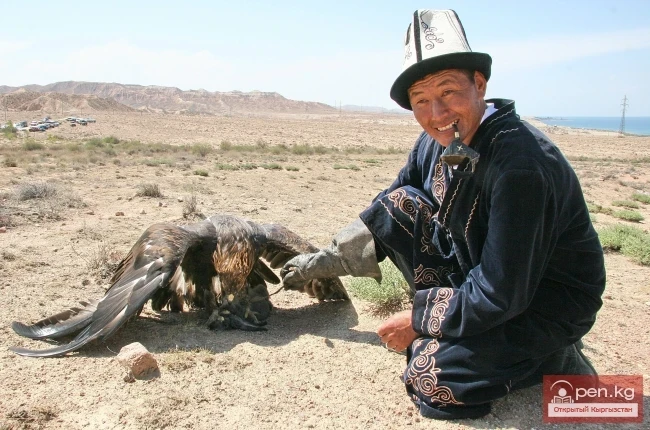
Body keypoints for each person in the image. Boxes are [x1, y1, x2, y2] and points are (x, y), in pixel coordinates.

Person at [281, 9, 606, 420]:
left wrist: (420, 320)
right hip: (485, 278)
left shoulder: (521, 167)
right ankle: (464, 329)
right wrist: (318, 263)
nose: (436, 113)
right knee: (397, 205)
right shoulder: (435, 140)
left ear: (479, 84)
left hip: (542, 301)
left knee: (430, 374)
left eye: (448, 92)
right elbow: (386, 211)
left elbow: (502, 292)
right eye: (421, 100)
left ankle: (554, 358)